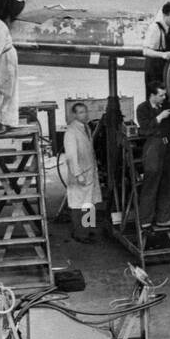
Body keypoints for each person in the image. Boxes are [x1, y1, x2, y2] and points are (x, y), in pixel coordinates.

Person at [134, 85, 170, 232]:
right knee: (151, 182)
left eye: (164, 95)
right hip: (153, 146)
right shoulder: (142, 108)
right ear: (152, 95)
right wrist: (159, 117)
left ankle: (163, 219)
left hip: (168, 146)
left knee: (168, 181)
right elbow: (145, 128)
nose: (164, 98)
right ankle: (146, 221)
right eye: (161, 95)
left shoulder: (166, 106)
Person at [62, 102, 103, 243]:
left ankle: (88, 230)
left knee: (89, 203)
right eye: (80, 112)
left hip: (89, 171)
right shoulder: (71, 131)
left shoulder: (86, 128)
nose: (84, 115)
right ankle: (81, 234)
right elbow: (71, 156)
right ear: (74, 115)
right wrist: (78, 174)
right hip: (80, 173)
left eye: (85, 112)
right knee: (78, 205)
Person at [142, 1, 170, 96]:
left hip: (165, 65)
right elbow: (145, 51)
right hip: (154, 67)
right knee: (155, 95)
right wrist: (162, 55)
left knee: (166, 94)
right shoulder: (154, 29)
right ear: (164, 16)